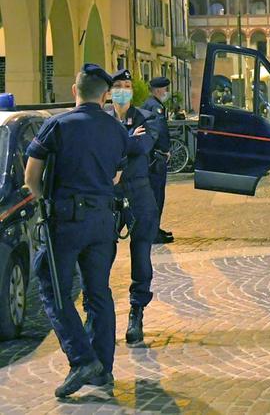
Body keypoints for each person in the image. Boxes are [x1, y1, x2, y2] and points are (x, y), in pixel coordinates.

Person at [24, 65, 128, 397]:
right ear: (105, 95)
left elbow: (31, 176)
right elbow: (115, 177)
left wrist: (46, 201)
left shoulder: (57, 125)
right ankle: (103, 370)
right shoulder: (116, 129)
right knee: (98, 294)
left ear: (74, 91)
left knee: (53, 287)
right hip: (103, 221)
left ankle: (83, 360)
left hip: (67, 221)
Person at [106, 69, 161, 346]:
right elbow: (126, 146)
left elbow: (143, 147)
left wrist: (118, 143)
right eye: (117, 85)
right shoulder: (101, 120)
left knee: (140, 255)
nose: (122, 90)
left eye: (126, 85)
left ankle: (136, 313)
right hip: (109, 195)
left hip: (139, 193)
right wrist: (129, 137)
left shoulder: (148, 117)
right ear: (109, 91)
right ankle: (97, 316)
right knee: (101, 255)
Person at [141, 76, 173, 244]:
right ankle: (153, 232)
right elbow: (159, 131)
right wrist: (165, 150)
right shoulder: (155, 107)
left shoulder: (149, 104)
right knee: (156, 196)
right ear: (159, 90)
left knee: (154, 195)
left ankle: (155, 228)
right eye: (166, 89)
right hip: (156, 158)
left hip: (151, 158)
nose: (167, 92)